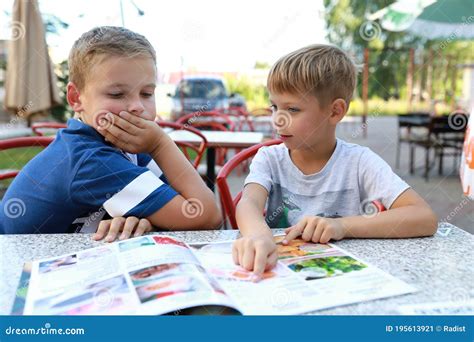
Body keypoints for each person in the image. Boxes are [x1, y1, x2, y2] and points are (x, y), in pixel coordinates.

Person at [232, 44, 437, 279]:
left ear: (335, 112)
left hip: (341, 277)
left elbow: (423, 217)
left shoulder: (359, 162)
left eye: (292, 109)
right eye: (274, 106)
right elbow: (248, 203)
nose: (277, 119)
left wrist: (342, 226)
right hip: (278, 276)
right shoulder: (269, 158)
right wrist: (258, 234)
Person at [0, 26, 222, 240]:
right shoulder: (90, 159)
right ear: (76, 98)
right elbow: (207, 216)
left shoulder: (127, 145)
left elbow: (184, 204)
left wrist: (149, 218)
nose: (137, 106)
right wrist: (160, 144)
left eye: (146, 93)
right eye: (117, 94)